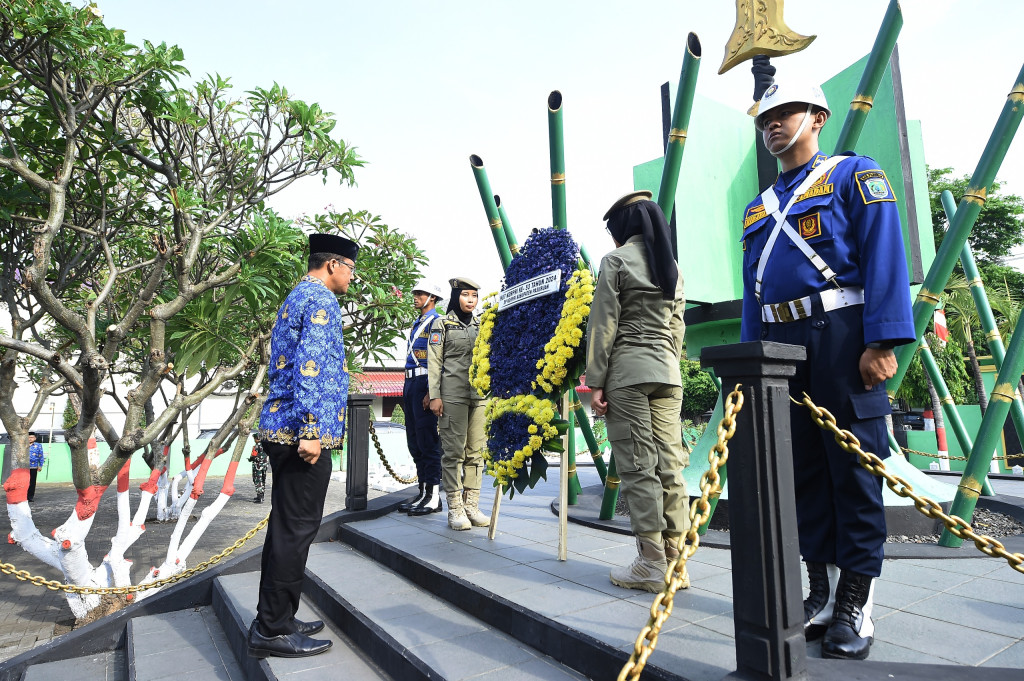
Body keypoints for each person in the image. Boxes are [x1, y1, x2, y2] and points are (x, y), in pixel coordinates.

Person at [740, 81, 915, 660]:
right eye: (765, 116)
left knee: (852, 469)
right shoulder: (758, 207)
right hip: (780, 344)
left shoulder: (852, 176)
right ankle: (821, 593)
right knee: (803, 471)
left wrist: (882, 338)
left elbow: (884, 250)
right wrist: (750, 359)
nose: (773, 123)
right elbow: (752, 293)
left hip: (841, 338)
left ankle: (856, 603)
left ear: (817, 116)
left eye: (785, 112)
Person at [248, 232, 359, 659]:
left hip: (284, 430)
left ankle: (276, 616)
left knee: (286, 529)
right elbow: (311, 368)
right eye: (350, 268)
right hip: (300, 436)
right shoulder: (320, 300)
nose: (352, 278)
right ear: (332, 264)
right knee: (295, 531)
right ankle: (272, 629)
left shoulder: (298, 295)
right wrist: (311, 429)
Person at [587, 192, 689, 594]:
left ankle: (650, 563)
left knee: (638, 466)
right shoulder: (672, 266)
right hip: (668, 373)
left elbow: (603, 325)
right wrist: (669, 363)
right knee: (670, 465)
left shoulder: (615, 261)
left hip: (627, 374)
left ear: (620, 231)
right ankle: (675, 563)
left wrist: (595, 381)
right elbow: (677, 325)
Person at [424, 277, 489, 530]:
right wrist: (435, 395)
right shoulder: (442, 324)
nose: (470, 300)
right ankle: (455, 508)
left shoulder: (483, 324)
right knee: (453, 453)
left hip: (480, 395)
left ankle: (471, 505)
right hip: (452, 395)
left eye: (474, 295)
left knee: (476, 452)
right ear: (456, 296)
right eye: (465, 295)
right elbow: (434, 362)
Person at [399, 280, 446, 514]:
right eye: (415, 292)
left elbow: (438, 360)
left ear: (433, 298)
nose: (416, 296)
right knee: (414, 440)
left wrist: (432, 390)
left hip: (425, 381)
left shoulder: (437, 322)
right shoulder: (418, 322)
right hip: (410, 382)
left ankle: (434, 496)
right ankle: (423, 492)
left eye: (421, 293)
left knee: (428, 441)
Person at [27, 432, 44, 502]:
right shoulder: (23, 445)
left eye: (32, 437)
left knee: (32, 482)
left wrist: (40, 465)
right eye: (29, 437)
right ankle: (23, 496)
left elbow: (41, 456)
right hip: (24, 467)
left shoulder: (38, 445)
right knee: (24, 481)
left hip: (34, 467)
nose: (30, 439)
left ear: (35, 438)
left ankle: (30, 497)